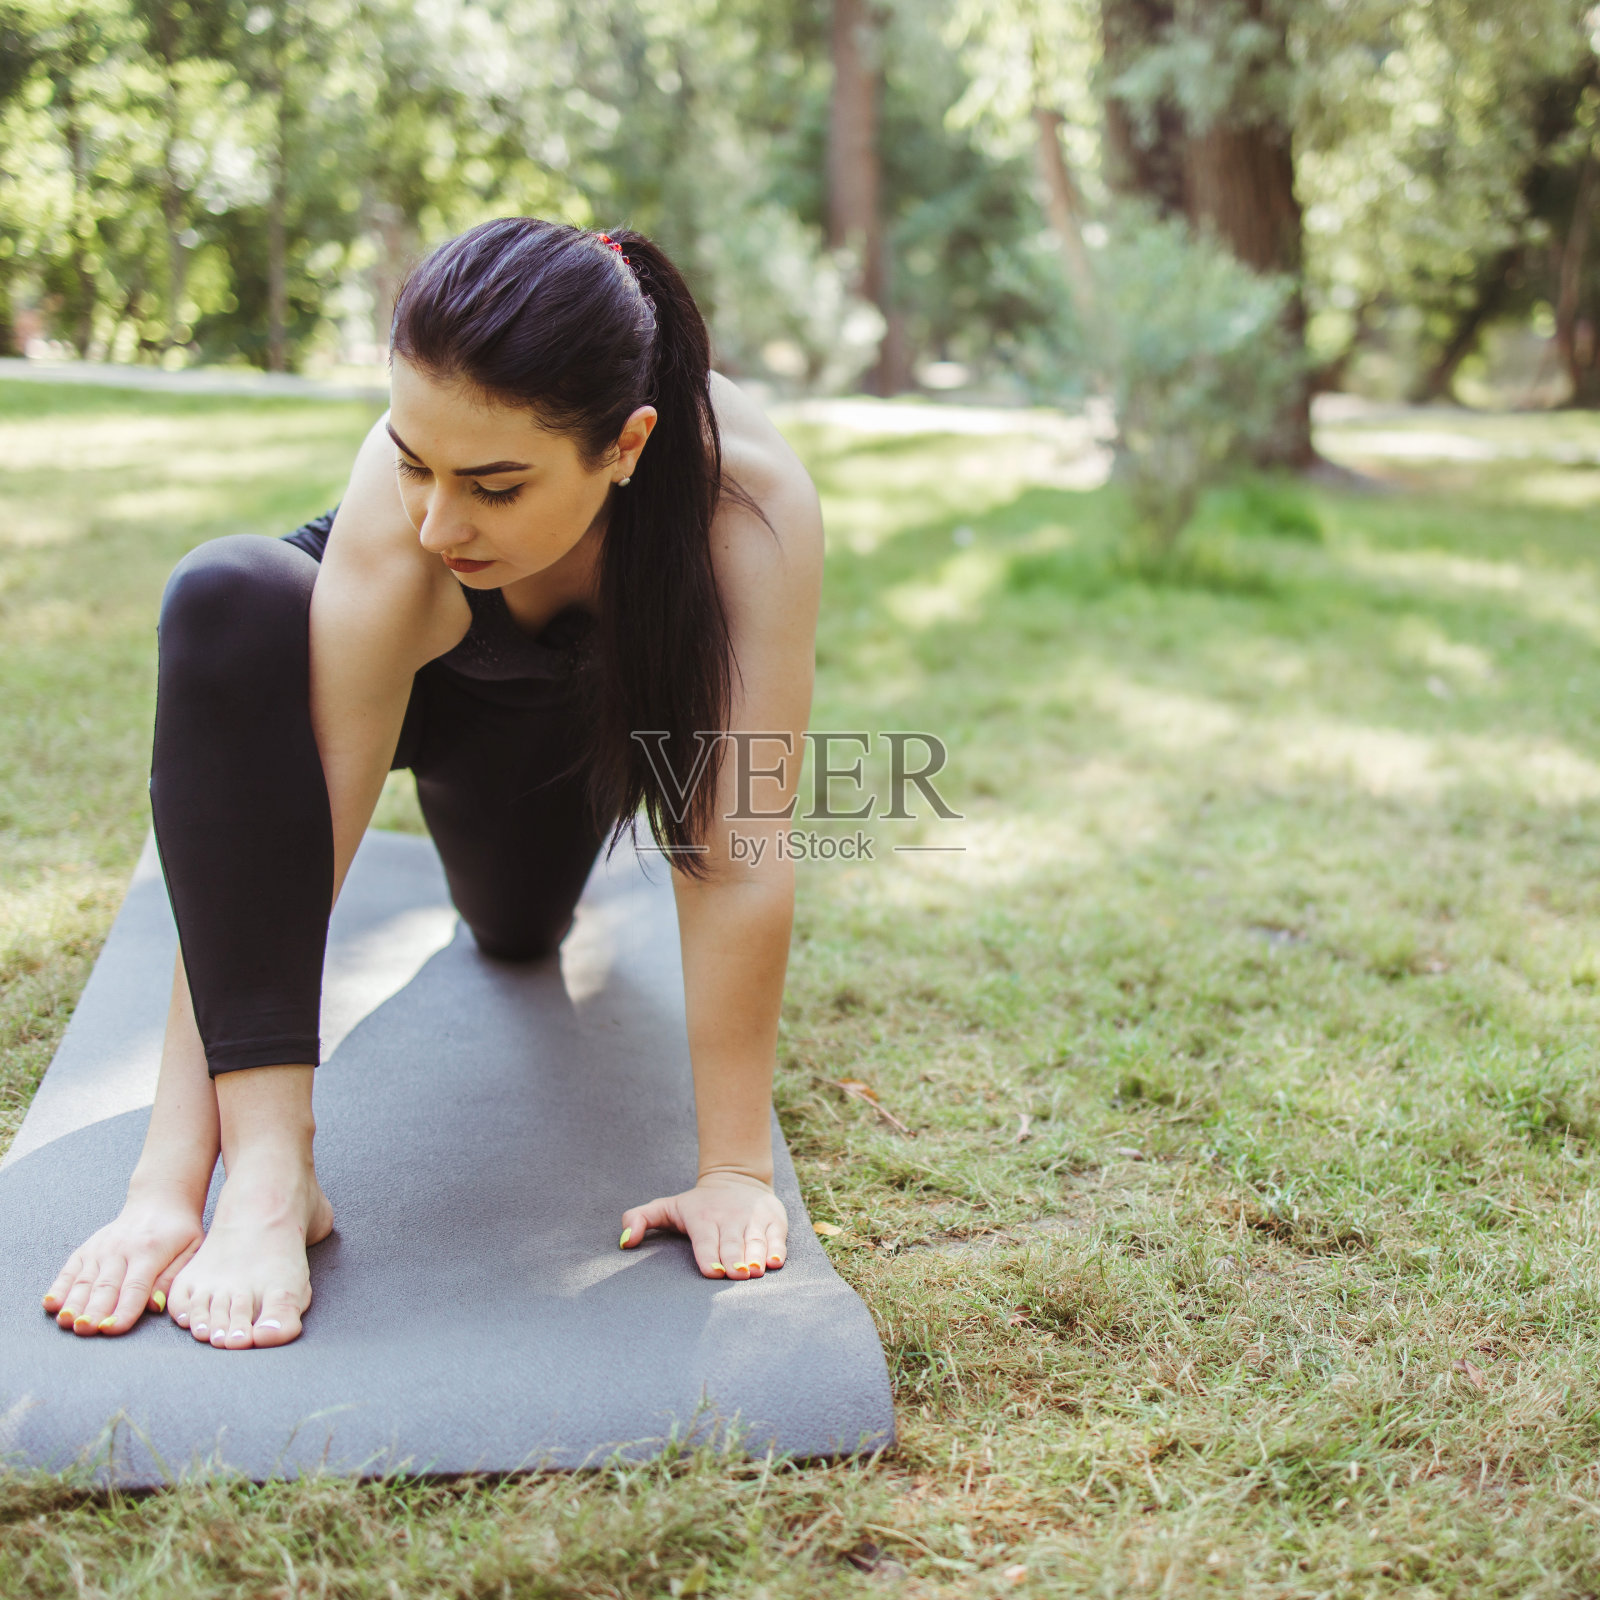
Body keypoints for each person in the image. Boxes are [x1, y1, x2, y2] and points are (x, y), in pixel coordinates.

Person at [39, 218, 822, 1350]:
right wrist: (171, 1183)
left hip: (550, 744)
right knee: (228, 595)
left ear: (626, 444)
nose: (438, 521)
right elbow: (283, 859)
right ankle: (275, 1184)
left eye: (494, 486)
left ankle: (510, 903)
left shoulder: (744, 510)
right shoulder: (403, 522)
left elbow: (736, 851)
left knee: (516, 932)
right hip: (400, 672)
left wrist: (734, 1170)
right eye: (414, 461)